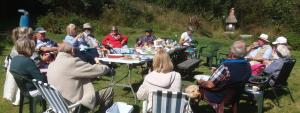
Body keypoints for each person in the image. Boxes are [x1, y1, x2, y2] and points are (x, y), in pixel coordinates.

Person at [47, 42, 113, 112]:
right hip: (73, 107)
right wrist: (105, 66)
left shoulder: (51, 65)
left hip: (58, 106)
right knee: (109, 91)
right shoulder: (72, 62)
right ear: (72, 50)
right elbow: (96, 70)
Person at [3, 27, 34, 105]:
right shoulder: (21, 46)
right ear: (26, 36)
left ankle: (14, 98)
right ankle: (17, 100)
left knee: (14, 84)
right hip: (17, 66)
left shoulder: (18, 44)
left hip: (13, 65)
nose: (32, 37)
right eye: (30, 36)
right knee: (17, 84)